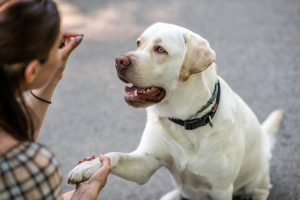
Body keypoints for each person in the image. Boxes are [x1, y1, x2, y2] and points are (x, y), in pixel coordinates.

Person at [0, 0, 111, 199]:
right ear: (32, 70)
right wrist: (83, 195)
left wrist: (51, 77)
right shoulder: (30, 167)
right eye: (53, 46)